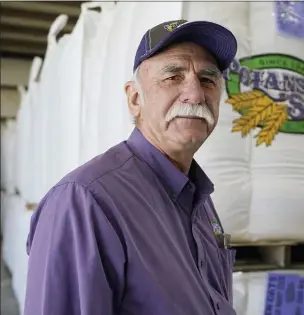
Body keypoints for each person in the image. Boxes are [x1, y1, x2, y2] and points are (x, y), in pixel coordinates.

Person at [24, 19, 238, 315]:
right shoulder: (85, 201)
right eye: (173, 77)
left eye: (207, 80)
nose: (196, 94)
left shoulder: (198, 198)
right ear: (135, 98)